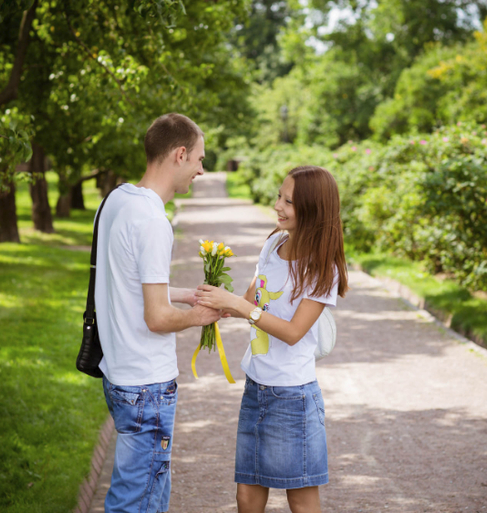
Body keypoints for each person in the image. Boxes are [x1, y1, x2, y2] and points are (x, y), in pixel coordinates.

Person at [196, 166, 349, 513]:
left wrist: (238, 306)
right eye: (279, 195)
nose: (278, 205)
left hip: (292, 397)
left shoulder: (322, 268)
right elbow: (252, 301)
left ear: (313, 210)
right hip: (256, 388)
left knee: (300, 500)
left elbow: (294, 332)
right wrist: (215, 300)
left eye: (289, 201)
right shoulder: (273, 243)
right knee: (246, 497)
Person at [95, 113, 222, 513]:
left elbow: (128, 283)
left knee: (151, 494)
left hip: (119, 375)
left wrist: (186, 295)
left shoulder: (118, 199)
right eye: (200, 159)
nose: (202, 169)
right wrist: (201, 318)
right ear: (180, 154)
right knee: (135, 503)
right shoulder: (152, 220)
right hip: (145, 386)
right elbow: (156, 319)